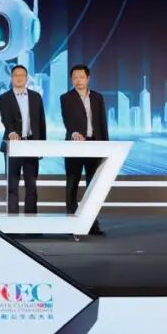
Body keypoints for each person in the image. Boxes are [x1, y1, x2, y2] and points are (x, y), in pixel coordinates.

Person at [60, 64, 108, 235]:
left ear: (88, 78)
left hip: (94, 144)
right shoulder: (66, 98)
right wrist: (74, 133)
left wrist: (105, 146)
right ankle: (71, 223)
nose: (78, 80)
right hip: (75, 145)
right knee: (72, 183)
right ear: (71, 80)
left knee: (92, 186)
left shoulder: (97, 97)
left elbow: (102, 123)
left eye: (81, 77)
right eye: (75, 77)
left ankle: (92, 224)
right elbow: (67, 120)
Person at [0, 64, 46, 214]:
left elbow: (41, 123)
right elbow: (6, 119)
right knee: (12, 185)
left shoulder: (36, 97)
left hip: (31, 145)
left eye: (22, 75)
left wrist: (42, 146)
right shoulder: (4, 97)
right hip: (13, 146)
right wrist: (11, 131)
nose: (19, 78)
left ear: (26, 78)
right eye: (16, 75)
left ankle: (30, 220)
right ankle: (13, 220)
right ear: (11, 78)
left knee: (31, 186)